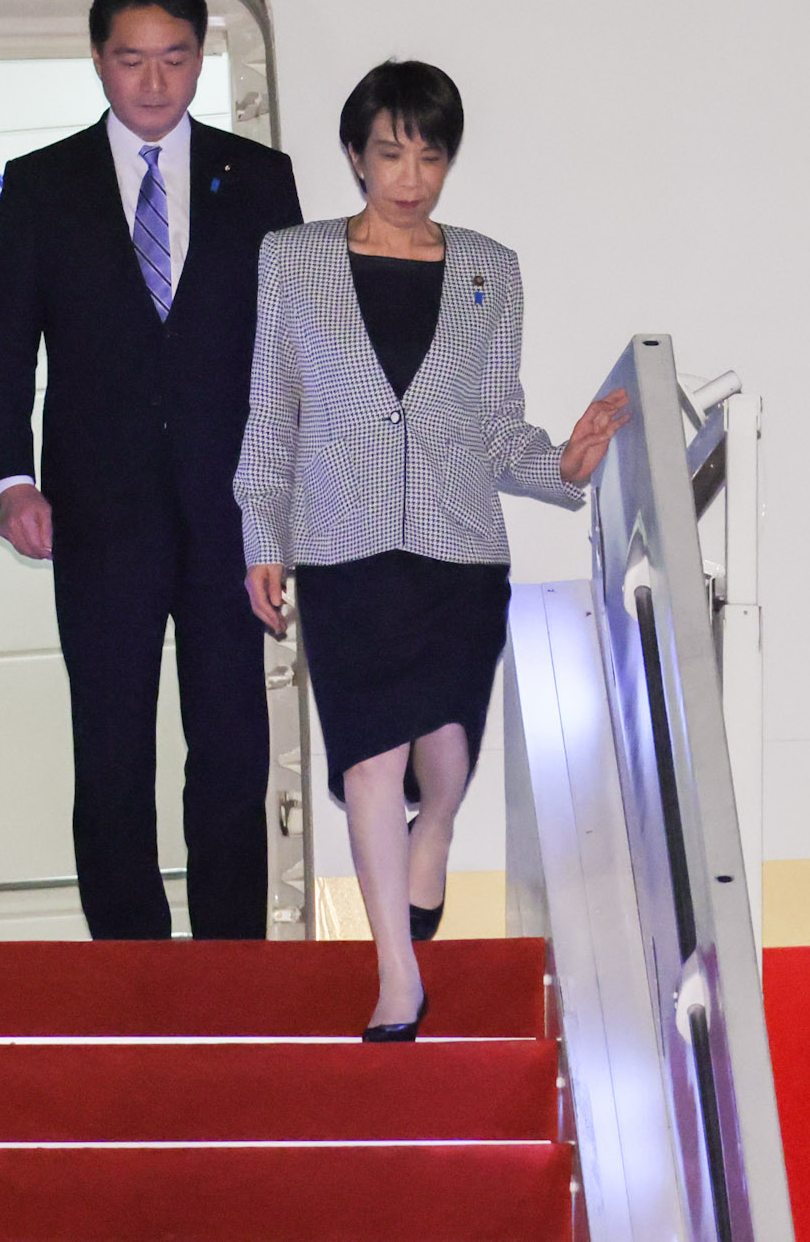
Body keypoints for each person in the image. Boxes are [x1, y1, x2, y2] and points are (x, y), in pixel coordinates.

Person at [235, 60, 628, 1039]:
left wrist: (566, 468)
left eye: (429, 153)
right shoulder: (292, 259)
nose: (408, 176)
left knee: (442, 749)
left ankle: (439, 829)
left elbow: (496, 429)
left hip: (457, 547)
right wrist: (262, 535)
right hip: (341, 543)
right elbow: (269, 411)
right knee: (369, 759)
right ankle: (396, 977)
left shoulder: (491, 267)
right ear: (355, 156)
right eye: (388, 152)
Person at [0, 0, 304, 940]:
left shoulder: (259, 179)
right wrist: (10, 478)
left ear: (200, 59)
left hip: (231, 513)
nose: (152, 82)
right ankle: (129, 961)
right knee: (110, 741)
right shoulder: (41, 183)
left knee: (233, 743)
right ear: (97, 62)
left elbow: (288, 349)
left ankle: (232, 961)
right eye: (130, 60)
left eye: (173, 58)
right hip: (97, 511)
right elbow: (3, 345)